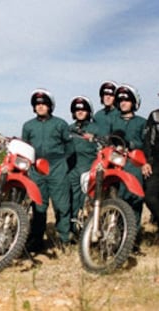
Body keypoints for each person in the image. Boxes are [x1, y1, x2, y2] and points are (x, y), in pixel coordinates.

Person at [22, 88, 73, 252]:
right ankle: (37, 240)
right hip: (37, 169)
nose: (40, 106)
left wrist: (62, 164)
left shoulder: (60, 124)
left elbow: (70, 148)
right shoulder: (28, 126)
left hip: (56, 167)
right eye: (37, 104)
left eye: (44, 103)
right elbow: (25, 147)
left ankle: (64, 239)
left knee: (61, 206)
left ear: (50, 106)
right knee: (38, 206)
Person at [111, 84, 146, 238]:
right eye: (120, 100)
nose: (123, 103)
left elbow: (146, 145)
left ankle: (133, 238)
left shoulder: (142, 122)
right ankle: (117, 236)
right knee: (118, 198)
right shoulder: (114, 121)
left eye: (127, 100)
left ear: (134, 102)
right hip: (117, 163)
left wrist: (131, 145)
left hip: (135, 163)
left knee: (135, 199)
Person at [67, 96, 100, 236]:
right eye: (77, 109)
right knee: (71, 198)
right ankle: (72, 229)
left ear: (88, 111)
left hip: (89, 166)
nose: (80, 111)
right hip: (72, 167)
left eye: (83, 109)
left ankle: (88, 229)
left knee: (86, 200)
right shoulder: (68, 128)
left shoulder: (96, 128)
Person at [143, 106, 159, 225]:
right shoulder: (154, 116)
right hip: (156, 161)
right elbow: (148, 141)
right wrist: (147, 161)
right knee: (150, 197)